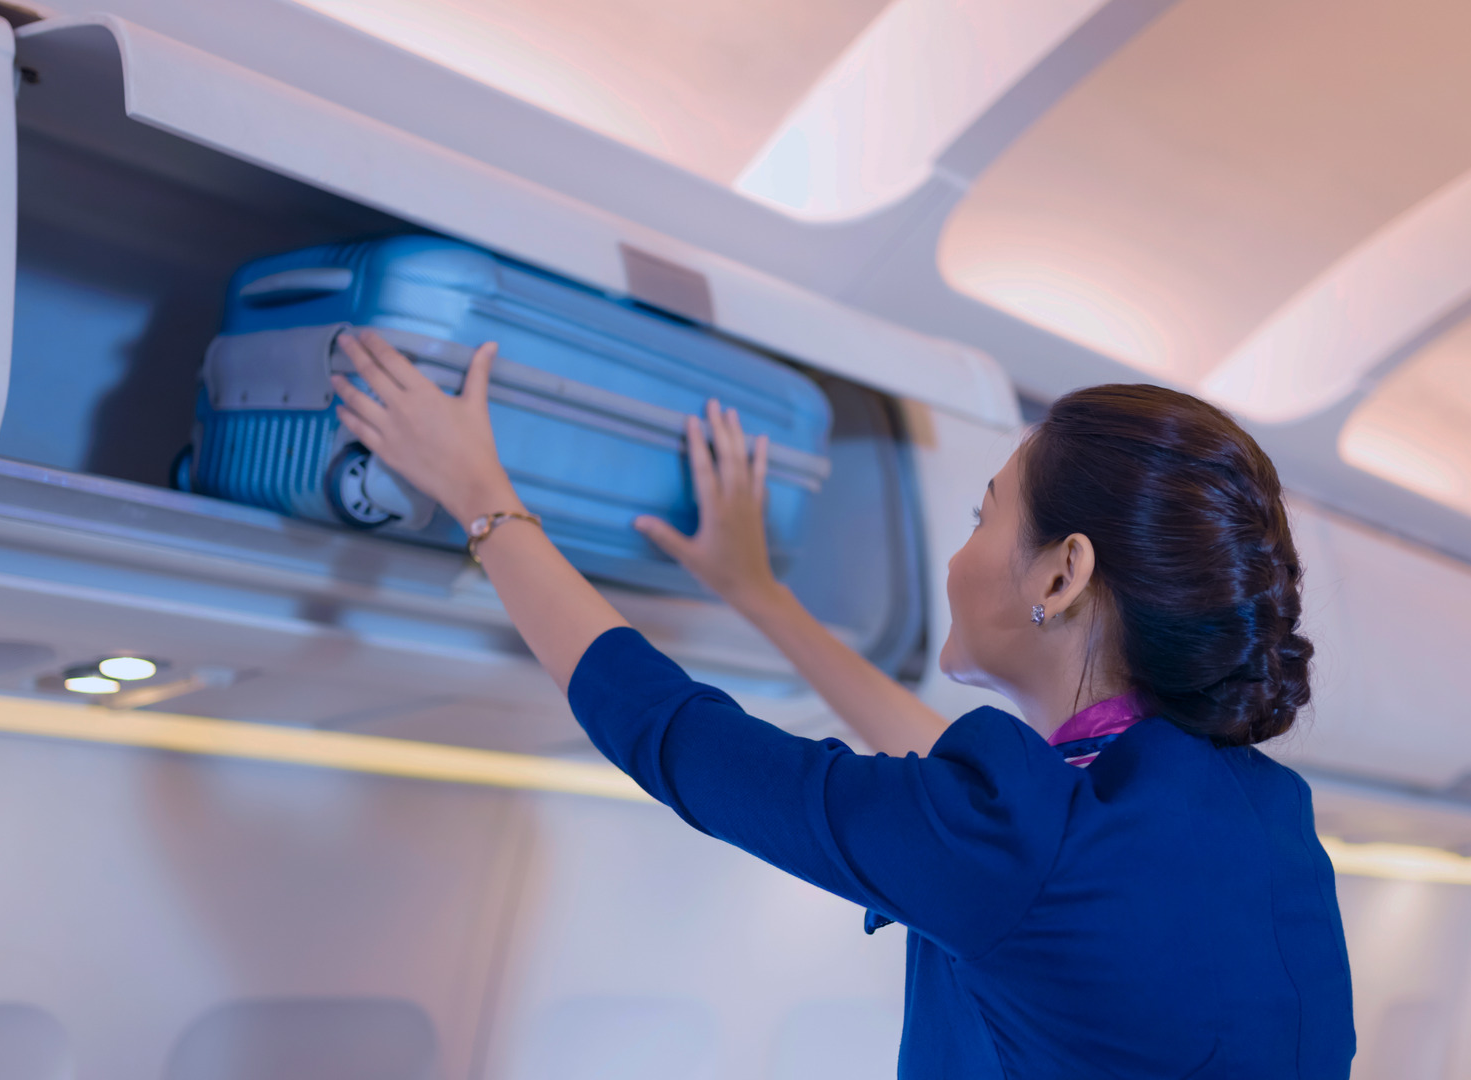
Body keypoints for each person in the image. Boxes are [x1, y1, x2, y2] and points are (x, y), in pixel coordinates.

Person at [331, 330, 1357, 1078]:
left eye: (982, 518)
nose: (959, 555)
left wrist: (481, 498)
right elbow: (968, 817)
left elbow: (672, 736)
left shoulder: (1020, 847)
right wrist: (760, 596)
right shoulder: (1260, 818)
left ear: (1061, 575)